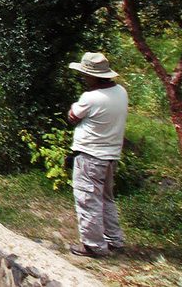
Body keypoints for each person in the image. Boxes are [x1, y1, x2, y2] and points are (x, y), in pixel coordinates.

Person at [66, 52, 128, 258]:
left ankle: (93, 245)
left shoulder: (90, 98)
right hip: (110, 155)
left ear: (92, 76)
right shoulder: (121, 92)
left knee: (87, 199)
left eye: (85, 74)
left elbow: (73, 116)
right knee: (106, 199)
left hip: (90, 155)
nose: (84, 78)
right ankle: (114, 239)